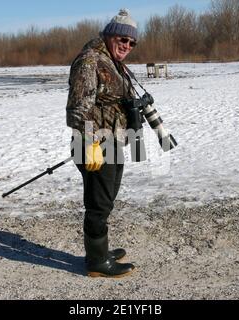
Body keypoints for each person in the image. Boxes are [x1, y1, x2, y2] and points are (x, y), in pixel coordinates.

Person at [66, 9, 139, 278]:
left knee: (105, 200)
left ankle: (100, 251)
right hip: (94, 144)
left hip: (111, 142)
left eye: (132, 43)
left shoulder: (112, 62)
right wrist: (89, 141)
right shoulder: (90, 61)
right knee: (98, 203)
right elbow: (78, 108)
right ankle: (97, 262)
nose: (127, 46)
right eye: (122, 39)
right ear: (109, 35)